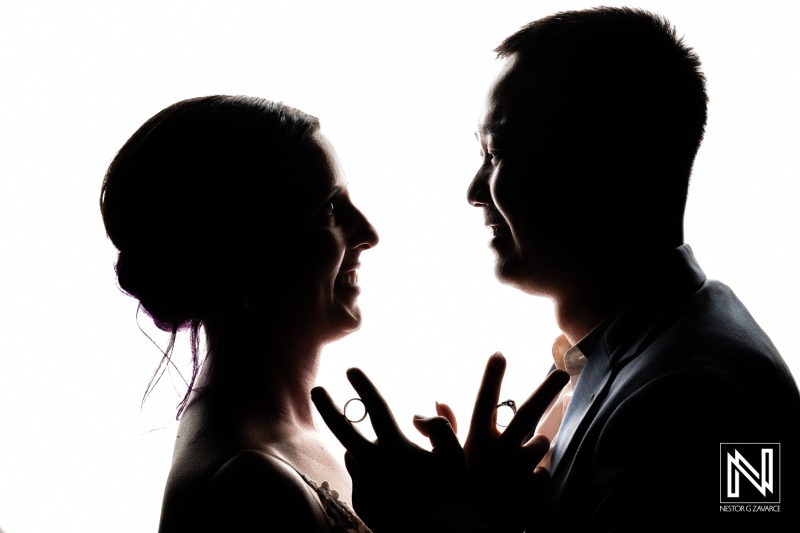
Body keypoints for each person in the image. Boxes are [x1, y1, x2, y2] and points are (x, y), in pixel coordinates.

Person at [313, 7, 800, 532]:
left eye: (496, 153)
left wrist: (435, 520)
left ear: (613, 167)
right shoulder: (645, 346)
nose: (475, 191)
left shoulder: (699, 398)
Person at [100, 95, 378, 532]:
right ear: (241, 253)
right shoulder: (252, 486)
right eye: (327, 209)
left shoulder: (275, 435)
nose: (368, 233)